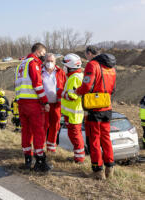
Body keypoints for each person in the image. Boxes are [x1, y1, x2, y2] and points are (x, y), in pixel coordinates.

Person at [76, 45, 117, 179]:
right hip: (107, 106)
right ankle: (110, 168)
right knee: (106, 139)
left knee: (94, 140)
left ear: (89, 53)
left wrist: (77, 91)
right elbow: (113, 88)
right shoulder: (111, 67)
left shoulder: (92, 65)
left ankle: (98, 171)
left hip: (94, 108)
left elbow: (87, 86)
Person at [15, 42, 52, 172]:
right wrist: (45, 102)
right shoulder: (33, 63)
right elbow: (37, 85)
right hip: (33, 104)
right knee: (38, 132)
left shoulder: (21, 64)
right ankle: (40, 162)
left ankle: (27, 160)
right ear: (38, 51)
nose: (44, 56)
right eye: (43, 53)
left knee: (26, 132)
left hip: (21, 103)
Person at [60, 53, 85, 164]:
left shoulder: (74, 78)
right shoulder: (75, 76)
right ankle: (77, 156)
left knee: (75, 135)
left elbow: (72, 96)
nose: (63, 67)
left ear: (70, 66)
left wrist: (60, 92)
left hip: (74, 113)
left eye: (64, 65)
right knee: (73, 135)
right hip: (72, 112)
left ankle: (80, 158)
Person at [41, 53, 66, 152]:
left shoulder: (60, 72)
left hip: (56, 104)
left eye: (52, 61)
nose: (49, 63)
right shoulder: (40, 71)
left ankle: (51, 148)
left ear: (55, 62)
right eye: (47, 61)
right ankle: (40, 147)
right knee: (43, 126)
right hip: (43, 104)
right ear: (44, 61)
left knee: (55, 126)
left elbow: (64, 86)